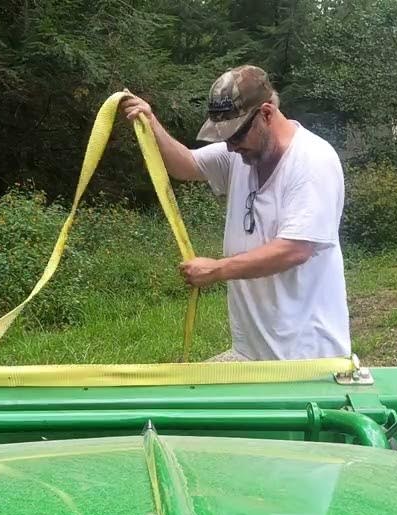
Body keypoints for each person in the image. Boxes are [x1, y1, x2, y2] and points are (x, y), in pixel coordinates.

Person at [120, 65, 351, 362]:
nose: (230, 146)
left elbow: (295, 250)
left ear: (266, 114)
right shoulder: (242, 157)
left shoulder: (312, 161)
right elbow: (186, 164)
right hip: (252, 355)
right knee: (187, 400)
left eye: (237, 134)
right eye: (224, 137)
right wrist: (150, 122)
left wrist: (216, 270)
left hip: (304, 361)